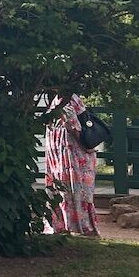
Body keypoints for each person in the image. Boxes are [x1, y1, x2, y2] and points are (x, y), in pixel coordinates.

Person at [44, 94, 100, 237]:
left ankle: (62, 223)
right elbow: (74, 127)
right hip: (71, 152)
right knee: (78, 188)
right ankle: (80, 225)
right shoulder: (69, 100)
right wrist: (88, 146)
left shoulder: (55, 102)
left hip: (57, 151)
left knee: (62, 187)